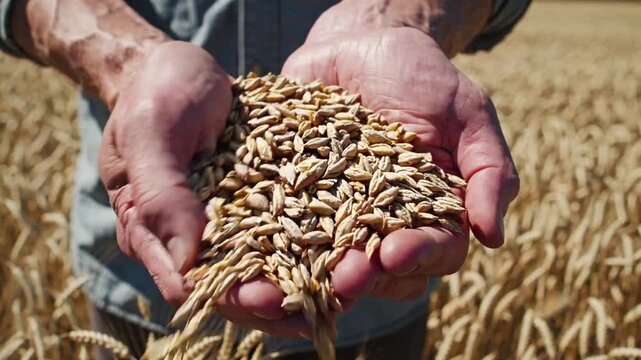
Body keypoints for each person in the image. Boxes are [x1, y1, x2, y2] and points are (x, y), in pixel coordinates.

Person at [1, 0, 526, 358]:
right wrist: (126, 61)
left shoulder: (355, 178)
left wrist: (403, 17)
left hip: (376, 306)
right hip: (143, 283)